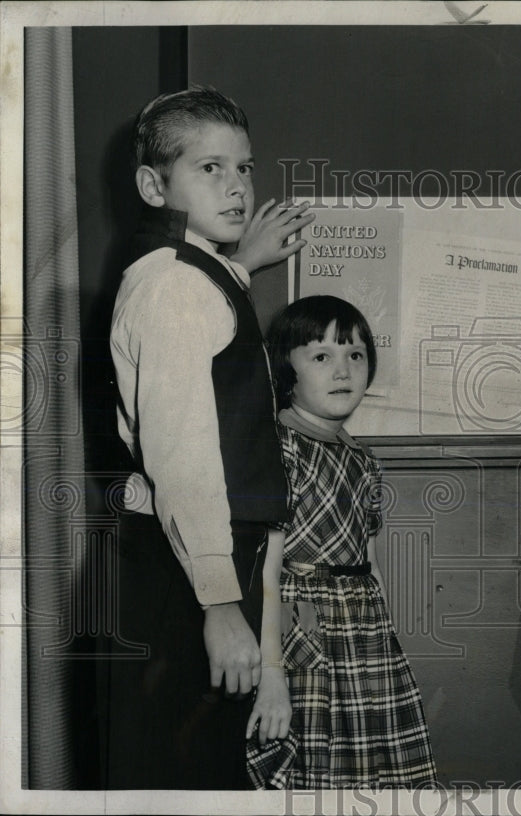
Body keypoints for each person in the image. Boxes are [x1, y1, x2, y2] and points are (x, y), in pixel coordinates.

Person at [106, 85, 313, 789]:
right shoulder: (173, 286)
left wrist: (240, 265)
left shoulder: (193, 274)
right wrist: (221, 606)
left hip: (201, 568)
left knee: (196, 766)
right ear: (151, 183)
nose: (236, 186)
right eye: (209, 169)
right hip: (188, 579)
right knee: (180, 774)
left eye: (245, 167)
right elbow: (184, 460)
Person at [246, 295, 437, 788]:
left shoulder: (363, 459)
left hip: (364, 633)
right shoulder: (278, 447)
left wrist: (384, 646)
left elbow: (369, 564)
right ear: (285, 367)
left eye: (355, 355)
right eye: (321, 356)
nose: (342, 370)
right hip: (301, 628)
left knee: (374, 768)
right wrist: (272, 675)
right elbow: (266, 570)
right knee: (317, 763)